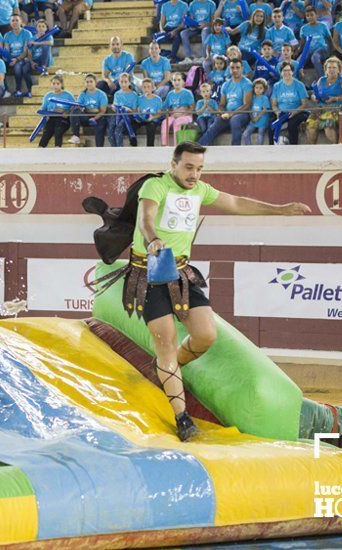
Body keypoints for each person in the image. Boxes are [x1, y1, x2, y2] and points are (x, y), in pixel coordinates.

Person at [104, 142, 310, 441]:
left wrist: (280, 209)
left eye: (199, 169)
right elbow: (146, 219)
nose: (194, 174)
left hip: (182, 271)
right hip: (149, 272)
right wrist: (153, 240)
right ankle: (182, 417)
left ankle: (166, 368)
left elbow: (237, 203)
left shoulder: (201, 190)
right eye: (189, 167)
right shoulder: (155, 185)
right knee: (165, 341)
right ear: (173, 164)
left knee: (206, 335)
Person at [198, 58, 253, 145]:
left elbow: (247, 104)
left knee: (235, 120)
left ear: (242, 68)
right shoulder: (226, 84)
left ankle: (235, 149)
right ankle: (199, 146)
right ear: (229, 69)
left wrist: (231, 114)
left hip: (243, 113)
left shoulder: (247, 83)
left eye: (237, 67)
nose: (235, 70)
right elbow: (222, 104)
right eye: (232, 68)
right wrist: (222, 112)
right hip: (227, 113)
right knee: (215, 124)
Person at [306, 56, 342, 144]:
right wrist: (314, 97)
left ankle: (335, 151)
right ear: (325, 69)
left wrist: (334, 98)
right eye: (329, 67)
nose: (331, 69)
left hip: (337, 108)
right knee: (310, 125)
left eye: (334, 67)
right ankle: (313, 153)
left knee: (328, 126)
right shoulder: (321, 80)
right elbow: (314, 93)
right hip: (321, 108)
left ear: (339, 69)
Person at [270, 62, 309, 144]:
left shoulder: (299, 85)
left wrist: (294, 112)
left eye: (288, 70)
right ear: (281, 73)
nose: (286, 73)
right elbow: (274, 104)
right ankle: (271, 147)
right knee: (271, 124)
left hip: (298, 111)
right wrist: (277, 112)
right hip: (282, 112)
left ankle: (293, 148)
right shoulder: (277, 86)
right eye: (284, 70)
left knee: (292, 124)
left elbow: (304, 104)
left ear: (292, 72)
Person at [161, 72, 196, 146]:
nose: (176, 82)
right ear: (172, 82)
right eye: (174, 80)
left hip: (186, 116)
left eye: (179, 80)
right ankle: (164, 145)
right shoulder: (170, 93)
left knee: (177, 122)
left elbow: (192, 108)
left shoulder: (188, 93)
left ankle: (177, 145)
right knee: (165, 122)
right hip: (173, 115)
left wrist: (183, 112)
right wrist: (170, 112)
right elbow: (164, 107)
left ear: (183, 82)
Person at [2, 14, 33, 97]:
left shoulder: (27, 33)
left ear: (21, 22)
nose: (15, 22)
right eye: (13, 20)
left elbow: (25, 51)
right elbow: (7, 50)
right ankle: (6, 90)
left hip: (24, 58)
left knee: (18, 66)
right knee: (1, 66)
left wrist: (17, 59)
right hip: (12, 59)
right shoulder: (7, 35)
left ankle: (18, 89)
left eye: (17, 20)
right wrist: (8, 59)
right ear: (10, 23)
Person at [243, 77, 271, 145]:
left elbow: (264, 109)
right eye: (256, 87)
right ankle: (249, 148)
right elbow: (249, 108)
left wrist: (257, 118)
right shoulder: (252, 98)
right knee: (245, 134)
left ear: (264, 89)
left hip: (262, 120)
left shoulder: (264, 98)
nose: (258, 90)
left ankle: (259, 150)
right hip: (253, 120)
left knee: (260, 134)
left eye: (260, 88)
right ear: (254, 88)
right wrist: (252, 118)